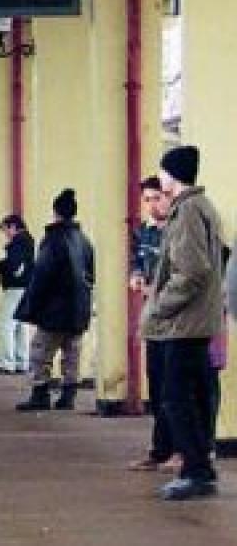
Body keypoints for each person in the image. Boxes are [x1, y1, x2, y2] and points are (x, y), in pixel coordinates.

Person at [143, 146, 224, 501]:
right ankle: (199, 466)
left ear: (172, 175)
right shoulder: (200, 207)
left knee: (177, 398)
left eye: (162, 172)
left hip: (184, 323)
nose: (160, 178)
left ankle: (195, 471)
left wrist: (159, 306)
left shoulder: (187, 211)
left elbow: (192, 270)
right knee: (191, 396)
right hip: (196, 322)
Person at [15, 189, 94, 413]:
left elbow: (42, 275)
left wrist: (33, 304)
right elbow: (91, 272)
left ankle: (40, 394)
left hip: (54, 308)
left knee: (41, 351)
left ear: (55, 213)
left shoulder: (53, 240)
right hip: (79, 307)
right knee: (72, 353)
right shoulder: (84, 240)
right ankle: (68, 396)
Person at [128, 176, 177, 472]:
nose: (152, 205)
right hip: (154, 318)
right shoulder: (144, 233)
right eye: (146, 199)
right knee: (158, 387)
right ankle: (160, 449)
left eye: (157, 197)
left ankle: (182, 451)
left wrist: (157, 291)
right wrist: (135, 274)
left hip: (176, 319)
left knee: (176, 389)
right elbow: (137, 260)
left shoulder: (178, 230)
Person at [0, 215, 35, 375]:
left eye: (5, 230)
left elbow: (14, 265)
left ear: (13, 227)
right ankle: (23, 362)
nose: (6, 234)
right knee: (22, 325)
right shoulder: (29, 241)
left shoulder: (17, 243)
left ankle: (7, 363)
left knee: (6, 324)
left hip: (15, 288)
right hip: (27, 287)